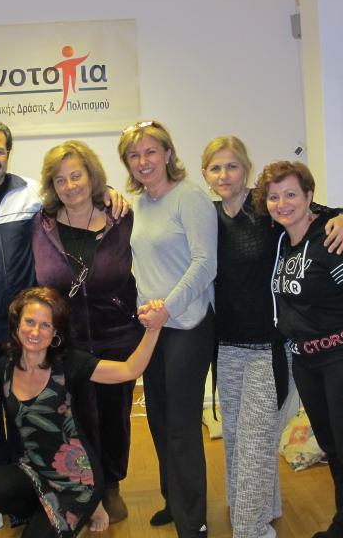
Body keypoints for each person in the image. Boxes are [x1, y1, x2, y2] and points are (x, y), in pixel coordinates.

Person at [0, 119, 126, 530]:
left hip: (26, 329)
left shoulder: (30, 194)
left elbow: (74, 195)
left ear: (8, 153)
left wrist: (106, 193)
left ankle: (30, 493)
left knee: (29, 414)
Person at [0, 287, 162, 538]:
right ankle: (49, 512)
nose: (35, 332)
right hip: (36, 472)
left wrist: (153, 329)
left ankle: (90, 507)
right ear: (17, 325)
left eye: (45, 325)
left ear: (55, 332)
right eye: (29, 322)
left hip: (77, 482)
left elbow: (129, 370)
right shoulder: (6, 367)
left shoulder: (68, 362)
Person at [200, 137, 343, 538]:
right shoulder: (207, 216)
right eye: (215, 168)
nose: (224, 175)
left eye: (232, 166)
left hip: (269, 348)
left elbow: (320, 214)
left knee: (255, 441)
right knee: (237, 439)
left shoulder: (266, 211)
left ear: (246, 170)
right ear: (205, 174)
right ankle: (260, 506)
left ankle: (250, 529)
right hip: (226, 347)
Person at [258, 160, 343, 538]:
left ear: (309, 196)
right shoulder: (281, 243)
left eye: (291, 194)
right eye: (274, 197)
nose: (282, 204)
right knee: (335, 452)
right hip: (308, 364)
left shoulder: (335, 240)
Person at [32, 141, 143, 529]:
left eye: (76, 175)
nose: (69, 185)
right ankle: (84, 486)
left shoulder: (121, 217)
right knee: (74, 417)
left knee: (115, 415)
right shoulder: (41, 225)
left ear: (92, 176)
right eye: (60, 179)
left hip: (117, 336)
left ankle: (111, 483)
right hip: (67, 341)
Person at [117, 120, 217, 538]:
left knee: (181, 425)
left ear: (168, 154)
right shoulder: (138, 203)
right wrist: (147, 312)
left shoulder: (190, 198)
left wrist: (168, 308)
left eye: (150, 152)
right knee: (158, 418)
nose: (143, 161)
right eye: (134, 155)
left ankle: (194, 521)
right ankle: (173, 501)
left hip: (187, 323)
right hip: (153, 327)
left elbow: (205, 264)